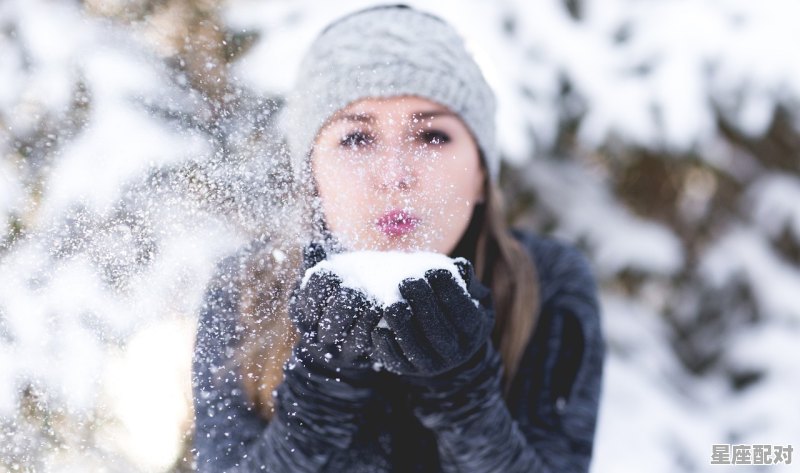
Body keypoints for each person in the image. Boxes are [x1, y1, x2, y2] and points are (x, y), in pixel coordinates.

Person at [192, 4, 604, 472]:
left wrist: (464, 394)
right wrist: (322, 389)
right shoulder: (249, 287)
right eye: (356, 139)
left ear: (481, 175)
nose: (394, 176)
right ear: (312, 177)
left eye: (431, 136)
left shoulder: (546, 285)